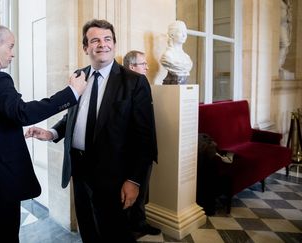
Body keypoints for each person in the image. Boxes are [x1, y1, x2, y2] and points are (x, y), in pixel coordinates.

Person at [25, 19, 157, 243]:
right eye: (94, 40)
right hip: (80, 169)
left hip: (115, 174)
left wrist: (135, 181)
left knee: (115, 233)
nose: (102, 44)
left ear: (114, 44)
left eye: (107, 39)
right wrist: (53, 133)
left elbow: (145, 137)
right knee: (88, 228)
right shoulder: (79, 76)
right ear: (85, 47)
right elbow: (73, 116)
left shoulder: (134, 82)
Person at [0, 25, 87, 243]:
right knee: (5, 236)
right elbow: (23, 113)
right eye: (11, 46)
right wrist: (71, 92)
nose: (13, 52)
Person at [122, 50, 160, 236]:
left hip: (145, 151)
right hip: (131, 153)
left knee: (143, 192)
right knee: (130, 193)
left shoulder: (142, 84)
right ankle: (129, 230)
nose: (147, 67)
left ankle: (140, 223)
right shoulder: (123, 87)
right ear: (131, 67)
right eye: (142, 63)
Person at [160, 20, 193, 84]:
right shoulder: (167, 55)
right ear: (172, 35)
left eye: (185, 32)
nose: (184, 35)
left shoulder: (186, 57)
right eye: (180, 32)